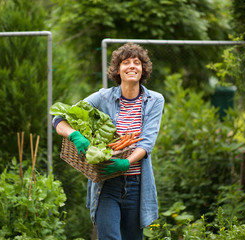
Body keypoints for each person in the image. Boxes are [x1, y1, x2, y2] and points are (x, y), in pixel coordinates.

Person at [52, 43, 165, 239]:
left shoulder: (155, 100)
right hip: (107, 184)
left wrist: (125, 162)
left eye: (136, 62)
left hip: (137, 185)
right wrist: (74, 135)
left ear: (143, 69)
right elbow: (59, 119)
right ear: (117, 70)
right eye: (125, 62)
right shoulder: (103, 97)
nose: (131, 66)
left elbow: (147, 142)